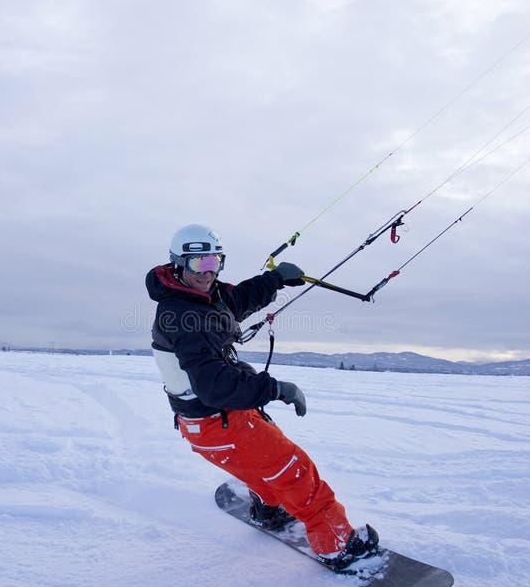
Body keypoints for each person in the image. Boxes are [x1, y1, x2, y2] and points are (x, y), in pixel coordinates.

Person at [145, 223, 379, 569]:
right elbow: (213, 384)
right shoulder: (184, 316)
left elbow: (235, 300)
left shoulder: (195, 298)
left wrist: (275, 280)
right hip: (219, 420)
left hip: (210, 424)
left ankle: (269, 508)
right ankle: (338, 545)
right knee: (294, 469)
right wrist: (276, 389)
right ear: (179, 264)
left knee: (265, 462)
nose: (207, 273)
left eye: (214, 263)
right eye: (198, 264)